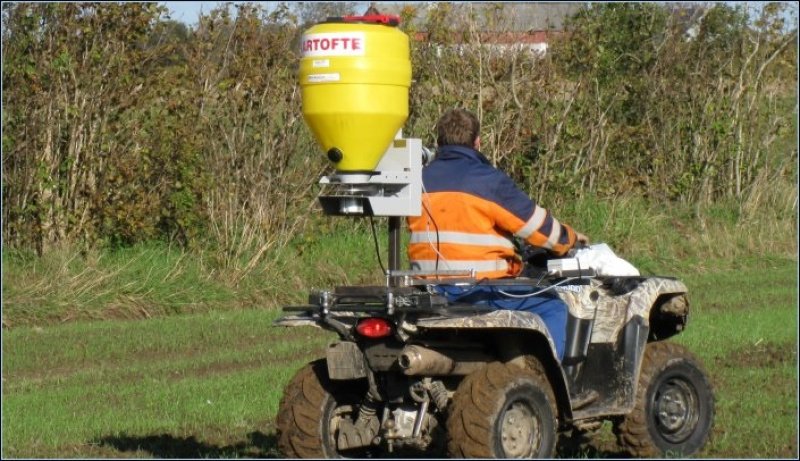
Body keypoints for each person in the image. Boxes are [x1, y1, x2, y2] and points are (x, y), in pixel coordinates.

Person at [407, 108, 589, 361]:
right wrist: (568, 239)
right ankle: (547, 384)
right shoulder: (487, 181)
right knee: (553, 307)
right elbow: (537, 227)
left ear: (438, 143)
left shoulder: (418, 180)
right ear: (477, 142)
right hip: (478, 290)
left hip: (427, 290)